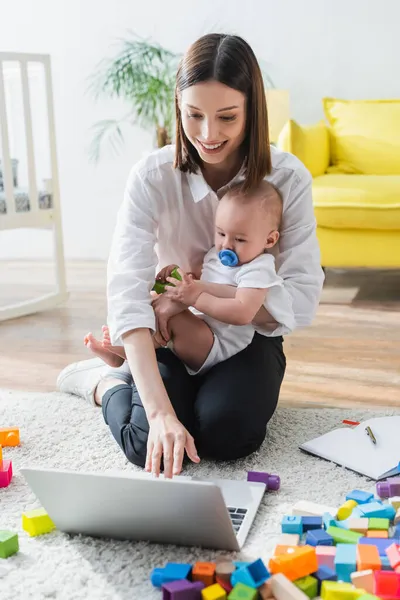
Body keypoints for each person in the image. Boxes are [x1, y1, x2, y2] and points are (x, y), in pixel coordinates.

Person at [57, 32, 324, 480]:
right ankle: (102, 383)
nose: (208, 134)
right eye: (193, 115)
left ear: (252, 112)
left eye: (227, 117)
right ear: (177, 106)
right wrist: (160, 413)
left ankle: (148, 381)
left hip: (247, 340)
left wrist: (213, 299)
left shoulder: (287, 179)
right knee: (150, 442)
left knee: (228, 433)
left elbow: (302, 298)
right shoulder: (152, 176)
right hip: (172, 336)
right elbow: (127, 290)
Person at [84, 180, 284, 376]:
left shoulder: (259, 268)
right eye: (221, 233)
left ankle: (125, 353)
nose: (226, 245)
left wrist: (196, 298)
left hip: (217, 344)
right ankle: (120, 356)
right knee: (149, 298)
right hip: (199, 326)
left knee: (173, 316)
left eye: (239, 239)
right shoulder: (215, 255)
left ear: (269, 239)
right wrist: (176, 276)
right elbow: (199, 280)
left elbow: (243, 312)